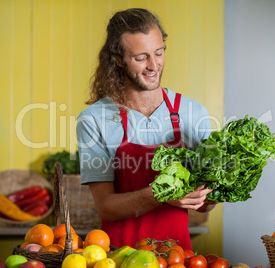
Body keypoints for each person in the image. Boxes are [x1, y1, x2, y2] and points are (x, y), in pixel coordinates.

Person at [76, 8, 217, 250]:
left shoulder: (194, 113)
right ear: (118, 59)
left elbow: (207, 202)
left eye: (159, 53)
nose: (154, 66)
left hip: (177, 258)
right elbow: (106, 207)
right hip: (119, 257)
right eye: (141, 57)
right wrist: (159, 194)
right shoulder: (94, 119)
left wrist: (207, 194)